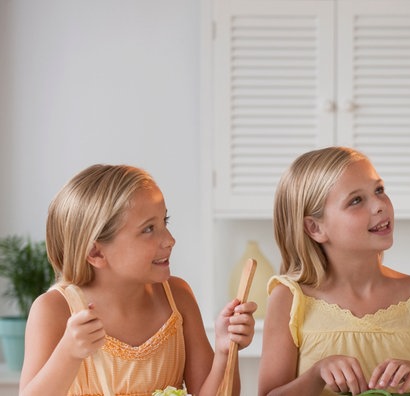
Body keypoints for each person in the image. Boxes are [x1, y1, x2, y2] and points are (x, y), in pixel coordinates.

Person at [19, 164, 257, 396]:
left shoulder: (178, 298)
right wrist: (68, 354)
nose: (170, 239)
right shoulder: (54, 310)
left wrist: (226, 351)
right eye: (148, 229)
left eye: (165, 222)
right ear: (96, 253)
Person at [258, 146, 410, 396]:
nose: (379, 205)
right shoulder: (289, 298)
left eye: (379, 190)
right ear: (315, 228)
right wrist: (317, 374)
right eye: (356, 200)